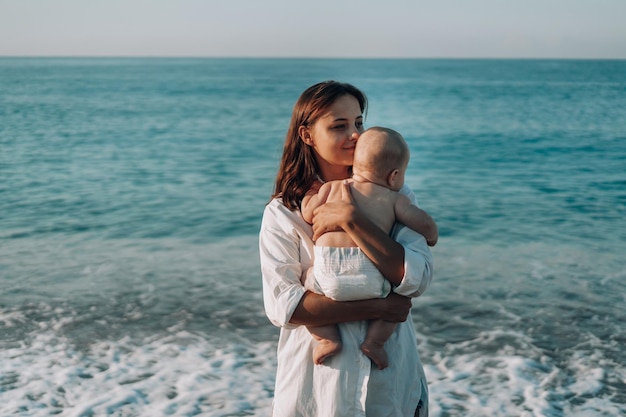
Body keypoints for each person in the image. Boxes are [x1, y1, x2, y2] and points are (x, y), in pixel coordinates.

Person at [259, 81, 433, 417]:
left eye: (358, 123)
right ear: (307, 135)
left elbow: (416, 278)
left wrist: (354, 220)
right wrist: (381, 306)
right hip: (319, 390)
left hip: (390, 383)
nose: (355, 135)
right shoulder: (285, 211)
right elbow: (285, 307)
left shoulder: (398, 196)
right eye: (339, 126)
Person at [300, 126, 438, 370]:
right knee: (396, 302)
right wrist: (431, 232)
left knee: (305, 280)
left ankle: (327, 338)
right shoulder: (395, 198)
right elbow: (423, 224)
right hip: (372, 277)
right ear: (394, 176)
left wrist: (310, 198)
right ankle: (374, 342)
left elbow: (309, 213)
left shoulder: (331, 188)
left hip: (327, 274)